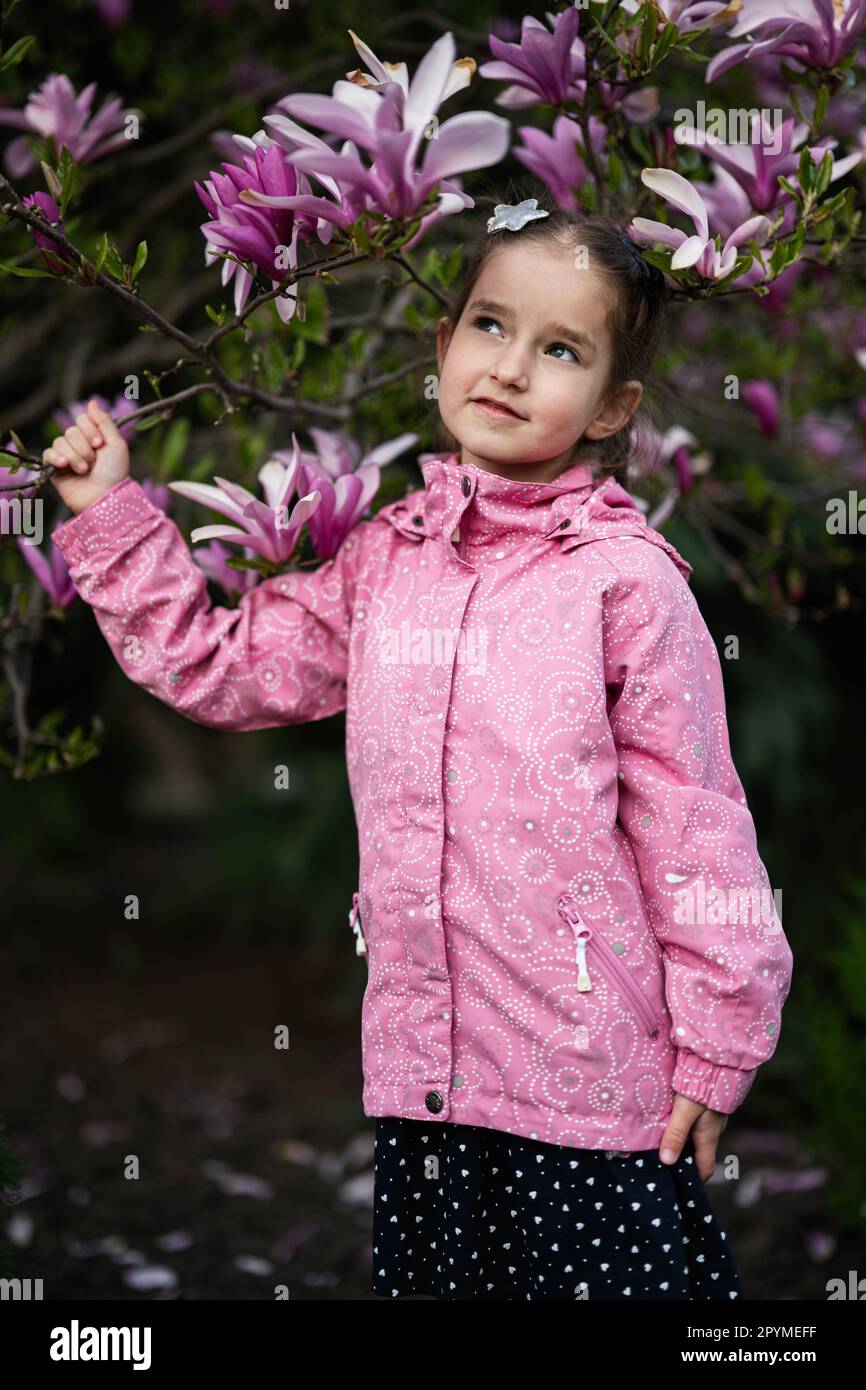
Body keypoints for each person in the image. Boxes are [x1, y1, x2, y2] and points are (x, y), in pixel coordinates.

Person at [45, 199, 793, 1302]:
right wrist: (111, 515)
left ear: (608, 407)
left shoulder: (624, 588)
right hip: (426, 1079)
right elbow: (220, 662)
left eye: (559, 350)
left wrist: (718, 1046)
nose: (508, 368)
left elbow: (698, 828)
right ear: (439, 348)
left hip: (589, 1082)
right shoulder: (384, 563)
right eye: (487, 327)